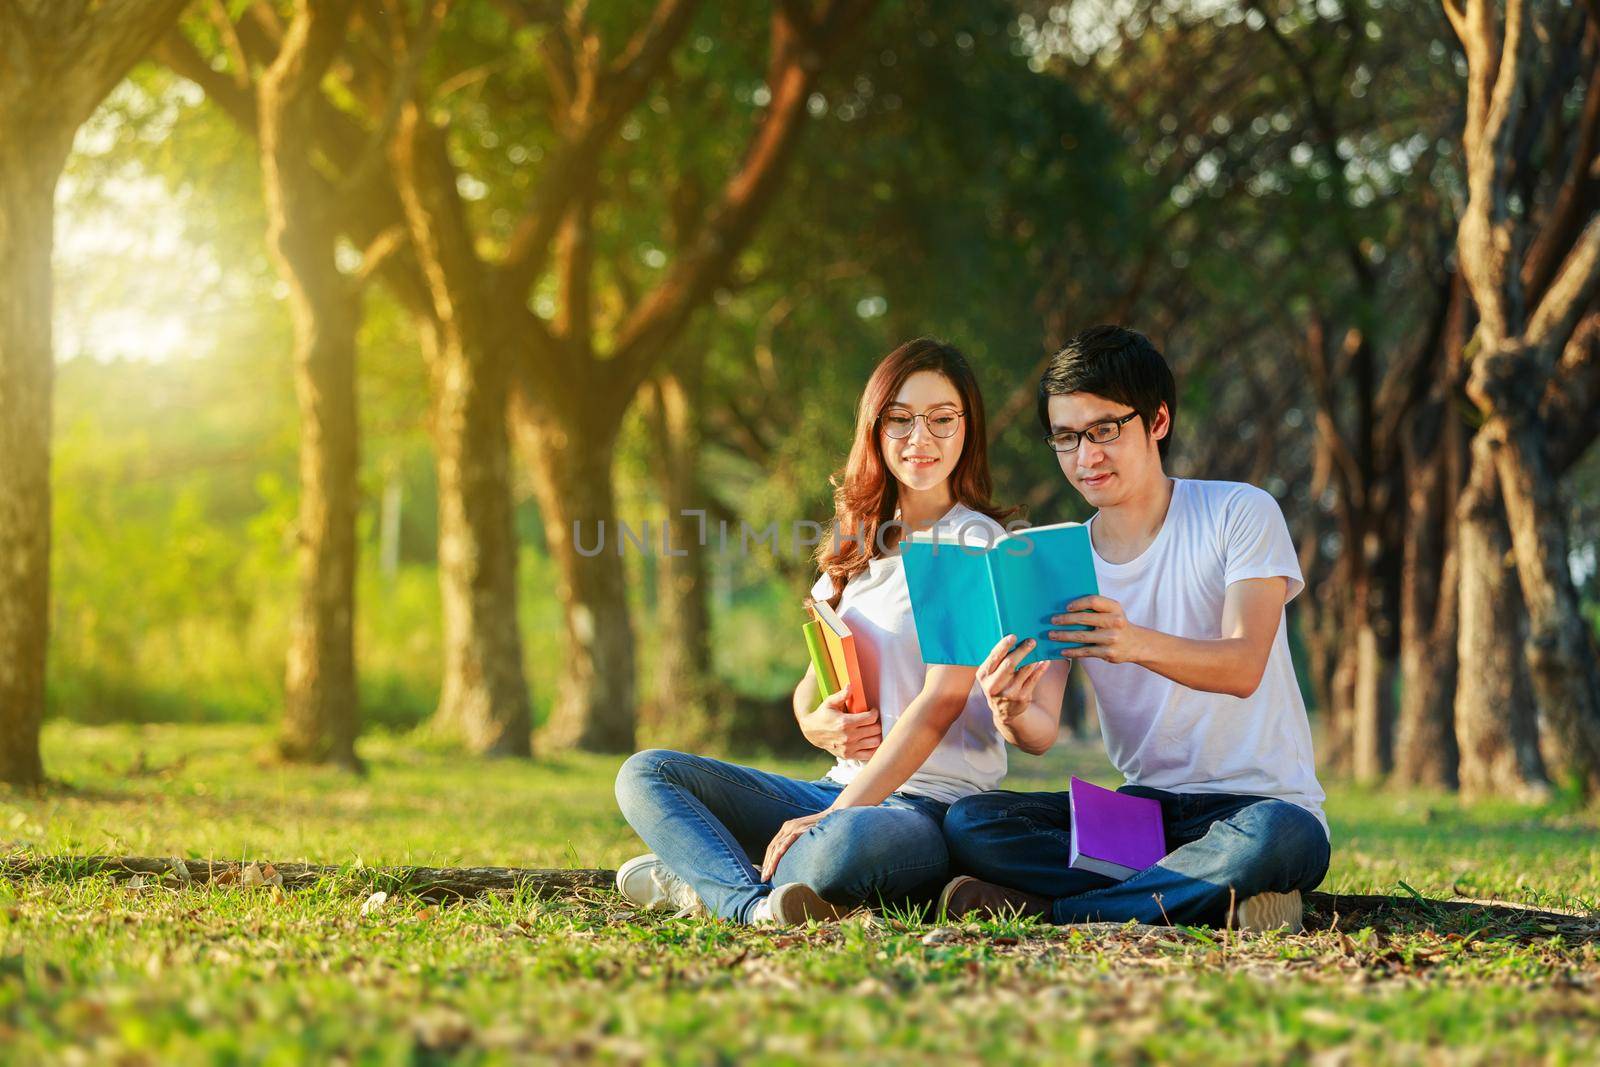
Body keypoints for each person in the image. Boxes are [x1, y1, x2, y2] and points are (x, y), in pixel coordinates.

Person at [939, 325, 1330, 932]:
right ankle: (1196, 892)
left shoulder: (1239, 512)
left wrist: (1133, 642)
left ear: (1158, 421)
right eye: (1066, 438)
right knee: (973, 823)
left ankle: (1069, 912)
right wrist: (1008, 709)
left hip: (1260, 805)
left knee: (1277, 839)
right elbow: (1040, 731)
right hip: (1142, 818)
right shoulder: (1061, 558)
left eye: (1104, 430)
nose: (1085, 457)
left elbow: (1243, 665)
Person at [614, 338, 1018, 924]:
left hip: (924, 810)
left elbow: (941, 703)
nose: (920, 438)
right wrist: (815, 723)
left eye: (941, 419)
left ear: (968, 428)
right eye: (900, 419)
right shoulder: (856, 543)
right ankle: (756, 905)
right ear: (875, 430)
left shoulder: (976, 545)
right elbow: (813, 682)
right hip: (833, 788)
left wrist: (831, 820)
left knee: (843, 850)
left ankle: (708, 880)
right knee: (646, 774)